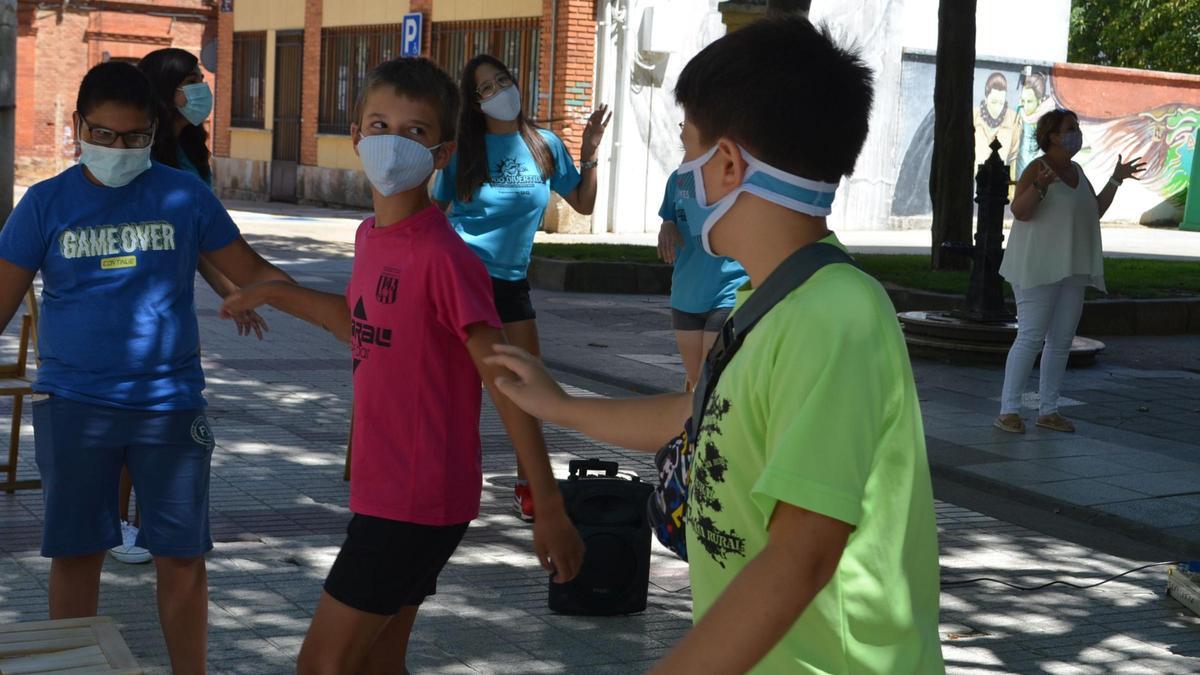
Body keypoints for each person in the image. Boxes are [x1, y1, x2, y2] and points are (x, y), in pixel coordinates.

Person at [484, 16, 945, 674]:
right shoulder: (767, 302)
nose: (684, 172)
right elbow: (700, 412)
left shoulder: (837, 315)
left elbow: (802, 554)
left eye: (688, 149)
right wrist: (558, 405)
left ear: (726, 165)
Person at [218, 57, 584, 674]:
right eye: (380, 124)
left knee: (323, 665)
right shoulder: (371, 237)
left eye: (415, 132)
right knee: (377, 662)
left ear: (441, 154)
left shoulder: (445, 257)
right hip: (385, 489)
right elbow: (360, 323)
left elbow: (503, 378)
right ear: (356, 135)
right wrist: (277, 293)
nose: (393, 143)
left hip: (416, 499)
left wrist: (547, 505)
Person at [0, 61, 295, 674]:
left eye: (133, 138)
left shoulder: (184, 195)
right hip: (76, 404)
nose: (117, 149)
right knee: (78, 554)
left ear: (154, 130)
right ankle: (73, 667)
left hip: (171, 404)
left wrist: (352, 316)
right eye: (102, 135)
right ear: (78, 127)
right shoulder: (44, 203)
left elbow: (253, 270)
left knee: (182, 556)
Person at [100, 48, 272, 568]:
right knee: (132, 417)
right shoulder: (143, 155)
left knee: (160, 418)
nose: (202, 88)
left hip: (172, 308)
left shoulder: (192, 150)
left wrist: (233, 292)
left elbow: (200, 243)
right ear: (166, 86)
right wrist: (231, 292)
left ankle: (147, 522)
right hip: (135, 305)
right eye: (192, 79)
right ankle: (117, 523)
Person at [431, 54, 610, 521]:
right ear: (473, 103)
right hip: (463, 281)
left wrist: (589, 151)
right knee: (459, 388)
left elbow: (584, 204)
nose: (498, 92)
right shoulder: (464, 150)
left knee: (525, 386)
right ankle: (449, 480)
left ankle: (529, 483)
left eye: (503, 80)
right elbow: (432, 216)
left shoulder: (543, 144)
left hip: (511, 284)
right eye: (485, 88)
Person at [995, 109, 1144, 434]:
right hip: (1037, 266)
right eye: (1070, 128)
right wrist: (1039, 187)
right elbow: (1019, 211)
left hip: (1072, 268)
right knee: (1031, 336)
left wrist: (1116, 179)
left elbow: (1094, 210)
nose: (1077, 133)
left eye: (1076, 127)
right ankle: (1008, 410)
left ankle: (1049, 410)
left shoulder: (1077, 170)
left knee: (1061, 341)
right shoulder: (1037, 167)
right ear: (1052, 136)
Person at [656, 168, 748, 391]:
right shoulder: (679, 179)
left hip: (728, 292)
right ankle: (693, 425)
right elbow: (669, 216)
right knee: (695, 378)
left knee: (713, 379)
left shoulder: (739, 178)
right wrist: (666, 226)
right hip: (686, 296)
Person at [972, 72, 1019, 170]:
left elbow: (1013, 158)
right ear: (986, 98)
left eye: (1001, 103)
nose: (997, 108)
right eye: (993, 102)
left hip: (999, 180)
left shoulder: (1013, 119)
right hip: (974, 180)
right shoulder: (973, 116)